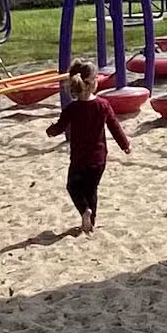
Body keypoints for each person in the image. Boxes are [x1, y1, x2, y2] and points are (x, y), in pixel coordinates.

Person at [46, 61, 130, 235]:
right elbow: (115, 127)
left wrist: (50, 131)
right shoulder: (103, 105)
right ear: (93, 83)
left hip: (79, 159)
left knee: (73, 186)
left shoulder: (72, 108)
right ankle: (90, 223)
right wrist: (125, 145)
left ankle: (85, 211)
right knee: (91, 189)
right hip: (98, 159)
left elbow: (60, 127)